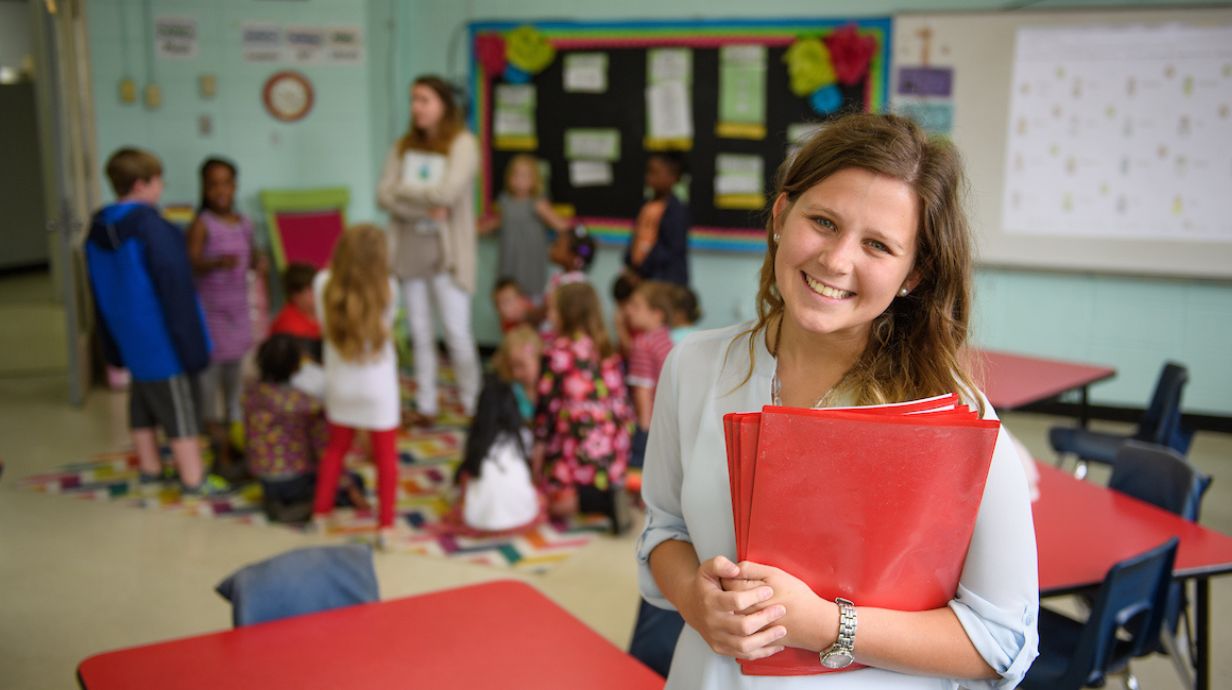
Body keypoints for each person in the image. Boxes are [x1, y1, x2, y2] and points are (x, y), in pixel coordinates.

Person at [637, 113, 1039, 688]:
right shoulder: (695, 366)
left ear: (914, 275)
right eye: (823, 222)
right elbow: (664, 530)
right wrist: (695, 603)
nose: (836, 260)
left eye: (877, 245)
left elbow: (1004, 642)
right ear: (780, 217)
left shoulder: (954, 417)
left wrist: (828, 625)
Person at [85, 147, 222, 496]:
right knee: (180, 408)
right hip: (160, 337)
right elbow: (175, 290)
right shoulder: (154, 228)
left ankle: (149, 467)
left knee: (142, 401)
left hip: (125, 332)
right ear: (142, 184)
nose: (161, 187)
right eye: (158, 180)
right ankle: (193, 478)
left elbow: (97, 288)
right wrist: (193, 345)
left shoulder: (98, 227)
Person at [377, 74, 482, 426]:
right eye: (413, 100)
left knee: (456, 333)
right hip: (409, 252)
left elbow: (448, 195)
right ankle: (425, 405)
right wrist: (422, 207)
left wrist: (404, 194)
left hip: (447, 256)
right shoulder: (403, 146)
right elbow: (383, 196)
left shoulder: (463, 144)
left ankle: (472, 403)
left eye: (424, 100)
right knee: (420, 333)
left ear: (443, 105)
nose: (416, 108)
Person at [310, 225, 401, 547]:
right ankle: (385, 526)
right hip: (378, 386)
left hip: (340, 382)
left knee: (335, 449)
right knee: (385, 456)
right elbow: (384, 328)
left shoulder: (322, 284)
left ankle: (320, 515)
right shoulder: (389, 288)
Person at [187, 156, 263, 478]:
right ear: (204, 188)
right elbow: (190, 262)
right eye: (213, 184)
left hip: (238, 310)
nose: (220, 190)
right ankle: (208, 425)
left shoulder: (244, 222)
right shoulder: (202, 223)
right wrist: (215, 264)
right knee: (210, 374)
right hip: (211, 311)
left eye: (226, 183)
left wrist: (259, 262)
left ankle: (233, 424)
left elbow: (253, 255)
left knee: (236, 372)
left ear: (235, 186)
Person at [532, 282, 633, 525]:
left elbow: (543, 418)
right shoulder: (607, 351)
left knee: (545, 504)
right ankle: (610, 491)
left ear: (568, 314)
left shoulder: (557, 354)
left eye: (554, 310)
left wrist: (533, 470)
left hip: (578, 455)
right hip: (615, 457)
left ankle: (600, 500)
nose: (549, 316)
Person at [242, 334, 368, 523]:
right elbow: (323, 448)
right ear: (296, 367)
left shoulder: (251, 395)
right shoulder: (306, 404)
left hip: (263, 477)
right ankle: (305, 506)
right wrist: (349, 486)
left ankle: (278, 500)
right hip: (295, 479)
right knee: (357, 481)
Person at [453, 374, 541, 533]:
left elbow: (468, 472)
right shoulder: (522, 436)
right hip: (524, 515)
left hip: (477, 520)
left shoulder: (477, 442)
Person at [478, 154, 571, 301]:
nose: (519, 179)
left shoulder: (537, 204)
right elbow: (497, 223)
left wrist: (562, 247)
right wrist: (473, 230)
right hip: (510, 261)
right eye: (516, 175)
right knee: (508, 295)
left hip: (530, 263)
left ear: (534, 180)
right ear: (509, 178)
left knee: (532, 297)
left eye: (525, 176)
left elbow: (561, 225)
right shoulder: (505, 203)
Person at [624, 281, 676, 471]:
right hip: (667, 420)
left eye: (636, 306)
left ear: (657, 313)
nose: (628, 311)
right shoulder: (665, 338)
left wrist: (643, 436)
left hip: (649, 424)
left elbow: (643, 392)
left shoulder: (643, 344)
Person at [625, 152, 690, 287]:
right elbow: (636, 238)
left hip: (664, 280)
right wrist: (630, 264)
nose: (649, 177)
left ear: (673, 177)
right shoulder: (646, 205)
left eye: (655, 173)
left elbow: (670, 249)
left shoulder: (676, 210)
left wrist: (642, 269)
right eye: (648, 172)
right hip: (641, 276)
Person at [492, 324, 543, 423]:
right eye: (512, 367)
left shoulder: (548, 388)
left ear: (538, 359)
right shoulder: (512, 390)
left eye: (521, 365)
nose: (516, 373)